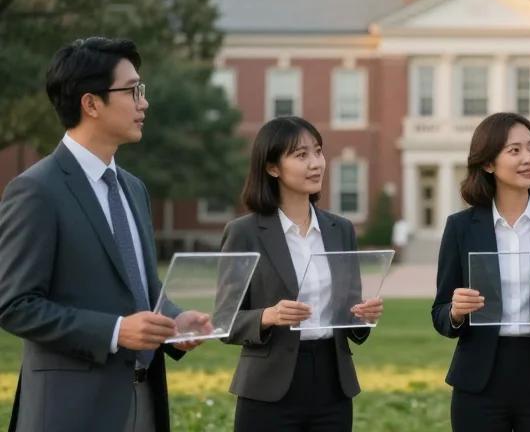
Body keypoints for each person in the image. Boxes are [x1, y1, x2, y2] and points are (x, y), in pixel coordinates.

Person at [0, 37, 203, 431]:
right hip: (69, 412)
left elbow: (139, 286)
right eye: (132, 91)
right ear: (91, 103)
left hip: (144, 401)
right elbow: (15, 304)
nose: (143, 103)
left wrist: (176, 321)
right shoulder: (36, 190)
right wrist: (115, 331)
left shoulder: (134, 188)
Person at [431, 112, 530, 432]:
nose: (529, 158)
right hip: (479, 381)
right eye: (515, 150)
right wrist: (456, 312)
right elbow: (439, 313)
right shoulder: (460, 227)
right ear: (489, 163)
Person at [220, 116, 383, 432]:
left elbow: (351, 322)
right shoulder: (245, 233)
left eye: (318, 151)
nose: (316, 164)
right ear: (272, 168)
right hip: (268, 389)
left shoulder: (341, 230)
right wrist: (269, 315)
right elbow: (225, 320)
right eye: (301, 155)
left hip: (332, 385)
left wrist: (363, 315)